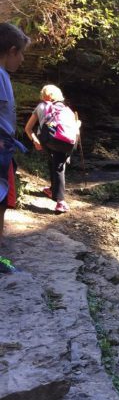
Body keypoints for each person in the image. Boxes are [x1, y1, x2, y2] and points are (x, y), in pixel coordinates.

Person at [0, 22, 30, 273]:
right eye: (19, 53)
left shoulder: (3, 75)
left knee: (1, 200)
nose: (21, 59)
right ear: (10, 51)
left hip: (5, 148)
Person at [24, 84, 80, 214]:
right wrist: (78, 125)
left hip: (47, 141)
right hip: (66, 142)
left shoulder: (41, 106)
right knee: (59, 166)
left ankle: (55, 194)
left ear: (44, 95)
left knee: (53, 162)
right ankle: (59, 200)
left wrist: (35, 140)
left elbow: (28, 128)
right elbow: (75, 131)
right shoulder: (67, 110)